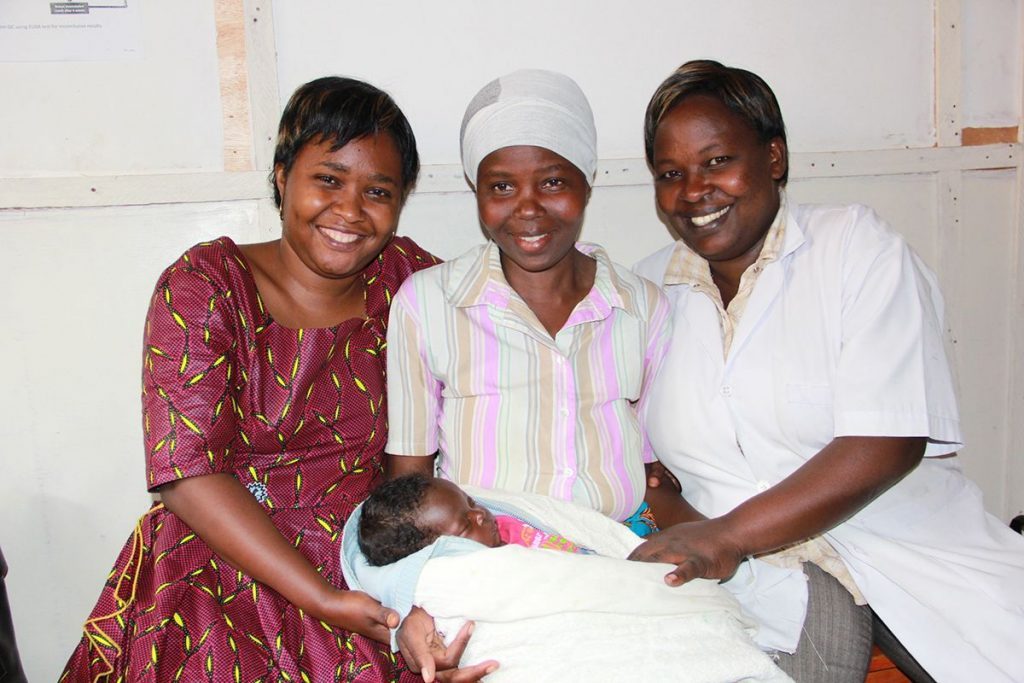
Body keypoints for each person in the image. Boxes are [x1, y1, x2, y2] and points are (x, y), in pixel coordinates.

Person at [60, 76, 491, 683]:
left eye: (378, 191)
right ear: (283, 174)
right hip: (220, 559)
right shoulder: (206, 284)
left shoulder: (412, 283)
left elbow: (497, 368)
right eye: (329, 179)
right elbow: (186, 474)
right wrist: (322, 600)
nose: (350, 211)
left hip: (371, 553)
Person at [630, 59, 1024, 683]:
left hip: (901, 546)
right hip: (758, 580)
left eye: (717, 161)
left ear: (775, 158)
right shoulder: (647, 290)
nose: (694, 191)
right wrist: (696, 532)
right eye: (670, 173)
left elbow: (886, 440)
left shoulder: (855, 248)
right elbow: (646, 464)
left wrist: (729, 535)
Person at [385, 69, 674, 531]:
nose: (527, 208)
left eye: (553, 182)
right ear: (476, 192)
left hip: (618, 550)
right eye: (501, 187)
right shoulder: (429, 305)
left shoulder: (642, 307)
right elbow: (409, 478)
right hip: (489, 565)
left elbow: (655, 465)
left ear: (587, 182)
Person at [359, 474, 589, 566]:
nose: (480, 513)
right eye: (465, 526)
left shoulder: (507, 528)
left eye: (471, 502)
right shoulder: (474, 579)